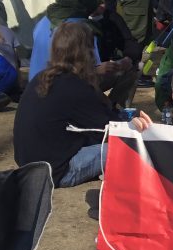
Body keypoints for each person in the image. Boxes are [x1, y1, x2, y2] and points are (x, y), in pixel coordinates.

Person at [14, 22, 149, 186]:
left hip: (29, 164)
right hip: (56, 171)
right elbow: (109, 130)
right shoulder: (74, 86)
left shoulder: (42, 77)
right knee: (131, 147)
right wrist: (130, 122)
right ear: (87, 52)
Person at [29, 0, 138, 109]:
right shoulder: (82, 28)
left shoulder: (44, 20)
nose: (102, 4)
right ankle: (114, 111)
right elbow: (85, 78)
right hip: (61, 95)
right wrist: (110, 67)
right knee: (130, 71)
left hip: (35, 91)